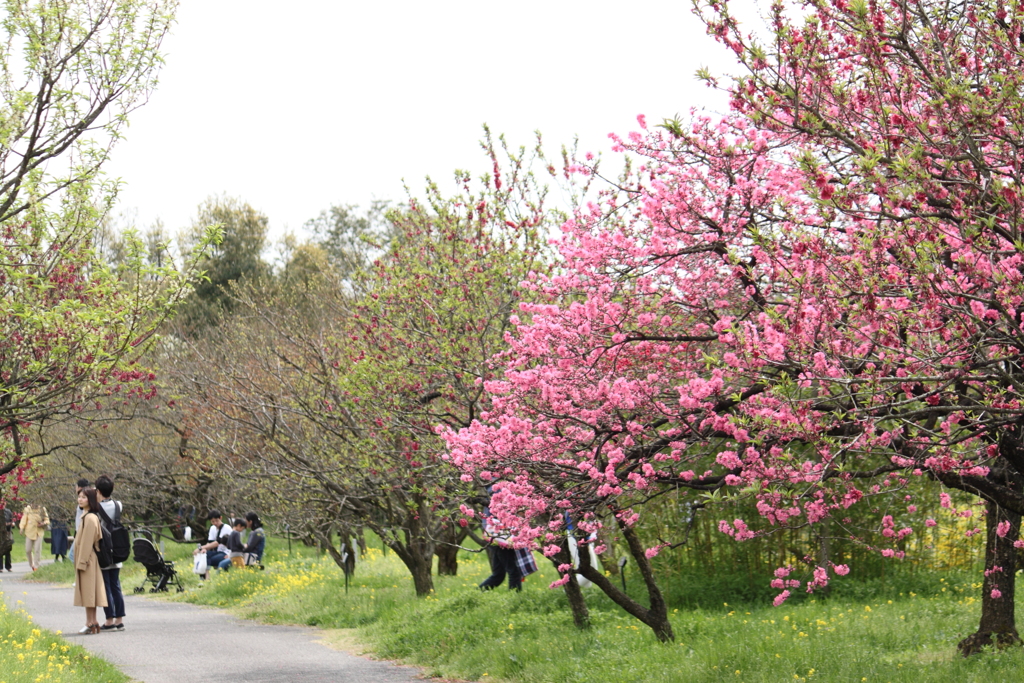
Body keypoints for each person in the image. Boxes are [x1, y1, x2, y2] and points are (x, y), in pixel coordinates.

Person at [72, 487, 107, 635]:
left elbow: (87, 543)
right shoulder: (87, 516)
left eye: (84, 497)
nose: (80, 499)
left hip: (88, 560)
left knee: (89, 593)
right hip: (87, 559)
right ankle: (92, 622)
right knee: (89, 593)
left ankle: (90, 622)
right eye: (79, 497)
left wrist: (81, 562)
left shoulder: (90, 518)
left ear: (90, 500)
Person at [95, 475, 126, 631]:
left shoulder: (96, 508)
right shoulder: (118, 504)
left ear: (98, 490)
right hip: (118, 548)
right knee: (116, 585)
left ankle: (109, 619)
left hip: (104, 550)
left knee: (105, 586)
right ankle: (119, 619)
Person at [193, 509, 231, 579]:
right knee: (203, 555)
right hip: (216, 552)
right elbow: (210, 542)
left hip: (225, 552)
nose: (215, 523)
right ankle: (204, 578)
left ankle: (206, 578)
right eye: (213, 521)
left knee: (207, 559)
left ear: (220, 518)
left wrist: (200, 548)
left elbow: (216, 543)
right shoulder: (212, 528)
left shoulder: (227, 528)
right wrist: (204, 549)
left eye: (217, 521)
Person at [18, 502, 49, 571]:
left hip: (39, 532)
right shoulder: (27, 509)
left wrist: (43, 523)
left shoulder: (42, 509)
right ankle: (31, 564)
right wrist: (21, 528)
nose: (34, 505)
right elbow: (23, 519)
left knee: (37, 549)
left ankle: (36, 566)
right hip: (29, 532)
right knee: (28, 550)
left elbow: (47, 520)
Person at [68, 477, 90, 565]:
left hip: (81, 532)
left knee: (72, 555)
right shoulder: (88, 497)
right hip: (80, 531)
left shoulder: (85, 500)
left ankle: (82, 573)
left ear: (79, 487)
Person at [2, 506, 13, 572]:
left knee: (8, 550)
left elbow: (12, 521)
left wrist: (12, 524)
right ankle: (0, 567)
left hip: (8, 533)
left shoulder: (8, 511)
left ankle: (8, 566)